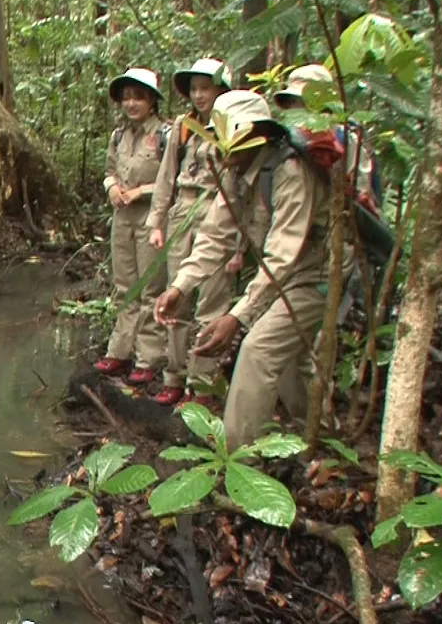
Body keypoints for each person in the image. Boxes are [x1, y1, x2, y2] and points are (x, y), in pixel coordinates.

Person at [153, 90, 339, 450]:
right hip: (283, 278)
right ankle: (320, 442)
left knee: (257, 350)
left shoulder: (291, 173)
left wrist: (236, 317)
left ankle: (236, 460)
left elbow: (282, 256)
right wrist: (181, 287)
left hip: (314, 277)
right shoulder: (236, 172)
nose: (223, 150)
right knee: (292, 365)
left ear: (258, 135)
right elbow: (215, 237)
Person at [144, 57, 240, 406]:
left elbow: (244, 193)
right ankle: (173, 376)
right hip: (183, 209)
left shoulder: (235, 129)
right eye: (195, 89)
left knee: (212, 302)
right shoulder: (183, 128)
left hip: (219, 210)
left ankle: (201, 386)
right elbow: (165, 177)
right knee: (176, 298)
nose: (200, 96)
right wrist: (157, 221)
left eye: (207, 89)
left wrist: (240, 247)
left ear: (222, 91)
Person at [93, 67, 170, 383]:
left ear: (151, 101)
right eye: (126, 98)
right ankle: (119, 352)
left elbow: (172, 179)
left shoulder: (167, 135)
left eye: (138, 97)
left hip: (152, 218)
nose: (131, 103)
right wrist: (111, 187)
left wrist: (142, 190)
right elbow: (110, 170)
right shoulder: (118, 135)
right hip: (122, 217)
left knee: (150, 287)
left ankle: (148, 359)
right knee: (125, 286)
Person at [274, 63, 379, 209]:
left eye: (304, 102)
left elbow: (361, 201)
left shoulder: (347, 142)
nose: (296, 108)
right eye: (293, 101)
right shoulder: (282, 140)